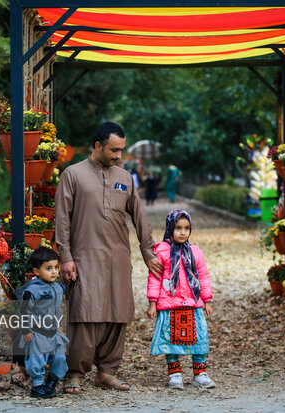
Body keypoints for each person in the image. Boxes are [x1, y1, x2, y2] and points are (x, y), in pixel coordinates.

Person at [55, 121, 163, 394]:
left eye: (122, 151)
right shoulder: (73, 174)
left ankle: (107, 372)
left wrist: (147, 251)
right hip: (84, 254)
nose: (119, 156)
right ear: (98, 146)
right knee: (85, 312)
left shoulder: (125, 177)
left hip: (117, 255)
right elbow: (62, 219)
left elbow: (139, 215)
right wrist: (65, 256)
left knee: (117, 312)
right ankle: (76, 372)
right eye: (114, 150)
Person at [146, 209, 216, 390]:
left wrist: (206, 300)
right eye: (178, 228)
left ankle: (200, 374)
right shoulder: (161, 252)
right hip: (169, 304)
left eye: (186, 228)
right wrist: (152, 302)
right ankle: (174, 373)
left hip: (192, 304)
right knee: (169, 341)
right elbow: (154, 278)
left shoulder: (195, 252)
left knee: (198, 340)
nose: (183, 232)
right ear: (170, 228)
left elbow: (203, 276)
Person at [14, 247, 69, 399]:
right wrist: (25, 330)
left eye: (56, 267)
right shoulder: (32, 291)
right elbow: (23, 311)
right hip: (36, 333)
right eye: (48, 268)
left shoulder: (57, 287)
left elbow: (65, 288)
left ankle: (51, 383)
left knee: (59, 358)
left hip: (53, 332)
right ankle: (38, 386)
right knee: (36, 359)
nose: (53, 272)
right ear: (37, 271)